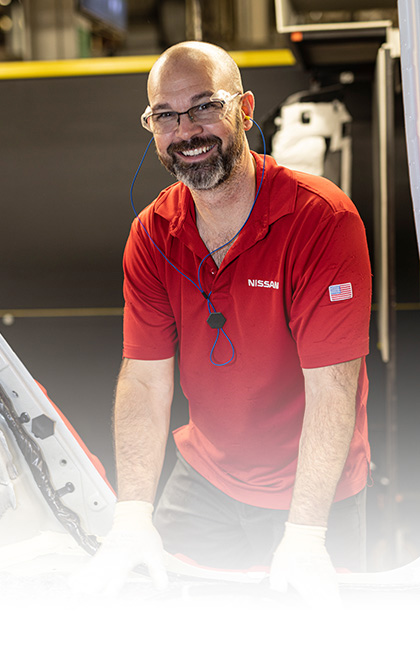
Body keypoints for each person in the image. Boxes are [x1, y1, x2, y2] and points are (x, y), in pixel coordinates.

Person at [73, 41, 372, 605]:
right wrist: (132, 516)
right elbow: (144, 379)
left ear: (246, 109)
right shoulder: (152, 233)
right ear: (152, 127)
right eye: (166, 115)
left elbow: (333, 388)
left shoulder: (321, 220)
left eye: (205, 106)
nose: (187, 130)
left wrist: (306, 534)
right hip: (205, 478)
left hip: (309, 494)